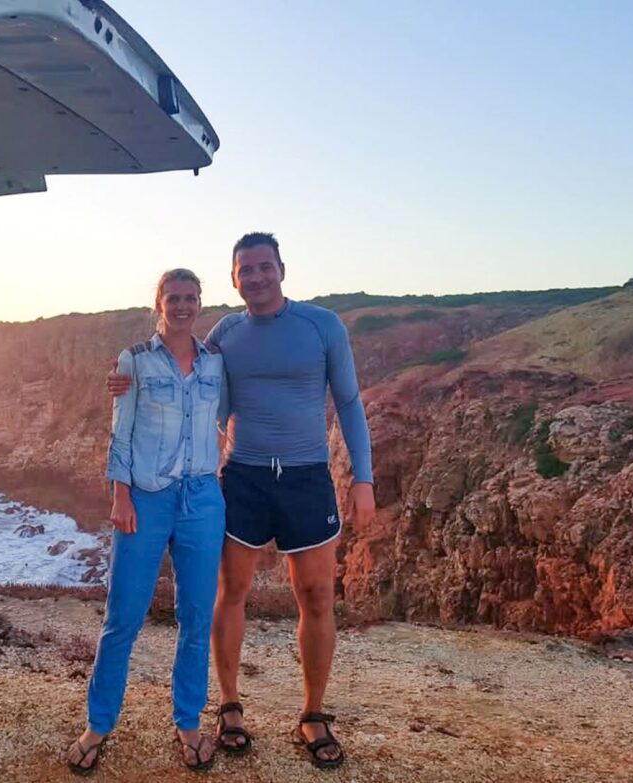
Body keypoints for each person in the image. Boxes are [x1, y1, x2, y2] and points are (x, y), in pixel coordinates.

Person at [108, 233, 375, 770]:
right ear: (234, 280)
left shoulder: (322, 325)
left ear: (281, 269)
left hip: (306, 477)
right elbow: (189, 386)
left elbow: (348, 401)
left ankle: (314, 713)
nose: (256, 277)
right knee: (231, 592)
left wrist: (362, 479)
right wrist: (128, 384)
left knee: (317, 595)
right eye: (245, 270)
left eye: (263, 267)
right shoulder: (226, 333)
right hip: (243, 477)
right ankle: (229, 706)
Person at [68, 268, 227, 776]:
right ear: (158, 303)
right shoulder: (133, 360)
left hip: (203, 498)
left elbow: (229, 416)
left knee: (197, 616)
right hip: (146, 498)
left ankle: (189, 722)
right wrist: (121, 495)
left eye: (190, 297)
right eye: (173, 297)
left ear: (200, 303)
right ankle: (98, 725)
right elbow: (121, 432)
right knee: (123, 617)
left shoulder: (215, 362)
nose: (182, 306)